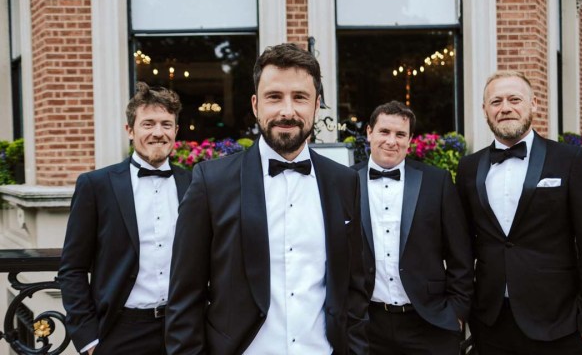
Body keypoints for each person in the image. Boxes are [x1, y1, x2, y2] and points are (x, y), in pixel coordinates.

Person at [165, 43, 369, 355]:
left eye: (300, 97)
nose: (287, 110)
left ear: (316, 107)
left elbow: (354, 287)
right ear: (256, 105)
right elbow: (184, 298)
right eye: (275, 97)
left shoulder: (344, 182)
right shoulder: (211, 182)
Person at [456, 71, 582, 355]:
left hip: (561, 326)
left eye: (514, 99)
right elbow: (462, 247)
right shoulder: (468, 168)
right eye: (495, 101)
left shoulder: (571, 160)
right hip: (491, 325)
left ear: (534, 104)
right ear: (485, 110)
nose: (505, 107)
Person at [58, 83, 192, 355]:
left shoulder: (194, 183)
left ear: (176, 131)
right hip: (121, 331)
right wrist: (88, 339)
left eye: (166, 124)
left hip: (184, 328)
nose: (158, 133)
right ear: (130, 130)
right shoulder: (96, 186)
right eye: (148, 124)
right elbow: (72, 268)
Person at [352, 100, 473, 355]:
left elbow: (460, 255)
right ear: (369, 133)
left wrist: (456, 314)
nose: (391, 141)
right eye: (384, 132)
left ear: (410, 140)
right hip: (367, 325)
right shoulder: (345, 182)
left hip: (430, 323)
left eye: (400, 134)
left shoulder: (436, 182)